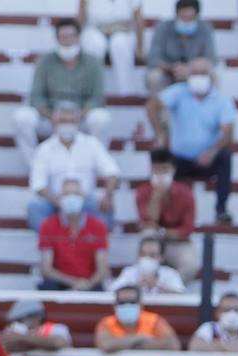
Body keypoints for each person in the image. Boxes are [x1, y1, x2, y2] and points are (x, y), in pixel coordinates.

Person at [148, 57, 236, 224]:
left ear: (211, 76)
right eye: (194, 73)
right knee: (158, 156)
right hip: (178, 159)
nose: (198, 77)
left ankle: (221, 210)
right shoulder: (179, 92)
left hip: (208, 159)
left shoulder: (222, 101)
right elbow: (152, 105)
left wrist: (212, 151)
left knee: (225, 156)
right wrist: (160, 133)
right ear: (188, 75)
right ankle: (161, 211)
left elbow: (227, 133)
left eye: (203, 73)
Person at [14, 18, 111, 165]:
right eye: (63, 37)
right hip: (51, 118)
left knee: (101, 118)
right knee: (21, 118)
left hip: (80, 118)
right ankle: (36, 169)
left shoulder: (93, 63)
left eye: (71, 37)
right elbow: (36, 97)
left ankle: (94, 166)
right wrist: (53, 115)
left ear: (79, 38)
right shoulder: (44, 62)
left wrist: (78, 114)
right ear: (57, 39)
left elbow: (97, 98)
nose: (67, 41)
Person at [26, 103, 121, 232]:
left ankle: (95, 247)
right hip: (55, 202)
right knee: (35, 207)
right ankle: (55, 245)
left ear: (78, 122)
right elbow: (38, 185)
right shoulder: (44, 149)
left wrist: (108, 196)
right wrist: (60, 203)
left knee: (104, 208)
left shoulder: (91, 144)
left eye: (71, 121)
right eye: (63, 121)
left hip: (86, 200)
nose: (67, 125)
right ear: (54, 122)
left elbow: (112, 172)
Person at [135, 149, 200, 281]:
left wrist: (163, 231)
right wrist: (156, 196)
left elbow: (186, 230)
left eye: (164, 169)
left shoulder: (186, 194)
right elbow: (148, 222)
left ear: (173, 170)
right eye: (156, 169)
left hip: (177, 243)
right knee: (148, 234)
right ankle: (148, 282)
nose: (160, 174)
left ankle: (171, 288)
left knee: (191, 264)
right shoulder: (143, 192)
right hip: (153, 242)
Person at [38, 179, 111, 291]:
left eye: (76, 194)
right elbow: (46, 269)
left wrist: (87, 284)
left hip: (90, 283)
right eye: (67, 194)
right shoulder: (48, 225)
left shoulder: (98, 226)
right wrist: (75, 283)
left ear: (83, 198)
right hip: (60, 283)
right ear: (59, 198)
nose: (71, 198)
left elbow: (102, 270)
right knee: (48, 286)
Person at [145, 0, 217, 94]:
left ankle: (207, 108)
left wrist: (190, 68)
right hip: (168, 72)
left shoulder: (205, 29)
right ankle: (161, 106)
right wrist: (172, 68)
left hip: (194, 72)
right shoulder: (163, 27)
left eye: (190, 18)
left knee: (213, 76)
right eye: (183, 17)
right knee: (154, 77)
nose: (186, 21)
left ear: (197, 17)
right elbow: (153, 58)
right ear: (176, 15)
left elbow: (210, 59)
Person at [79, 0, 144, 96]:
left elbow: (138, 19)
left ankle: (126, 93)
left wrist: (140, 47)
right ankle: (90, 93)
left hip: (122, 30)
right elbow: (81, 16)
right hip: (95, 29)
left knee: (120, 44)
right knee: (95, 44)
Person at [94, 285, 181, 351]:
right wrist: (140, 338)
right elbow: (106, 345)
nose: (127, 305)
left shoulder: (153, 320)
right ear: (114, 306)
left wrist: (121, 344)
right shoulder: (107, 323)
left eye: (132, 302)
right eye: (122, 302)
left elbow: (173, 345)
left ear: (141, 305)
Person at [111, 236, 188, 294]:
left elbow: (181, 294)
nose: (147, 258)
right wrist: (134, 288)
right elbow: (112, 292)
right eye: (143, 254)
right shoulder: (129, 272)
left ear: (161, 257)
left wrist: (157, 287)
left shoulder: (170, 273)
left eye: (152, 255)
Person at [0, 298, 74, 352]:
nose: (18, 323)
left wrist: (22, 339)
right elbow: (1, 343)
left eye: (20, 320)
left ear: (37, 317)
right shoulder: (14, 329)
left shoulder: (56, 328)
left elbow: (57, 343)